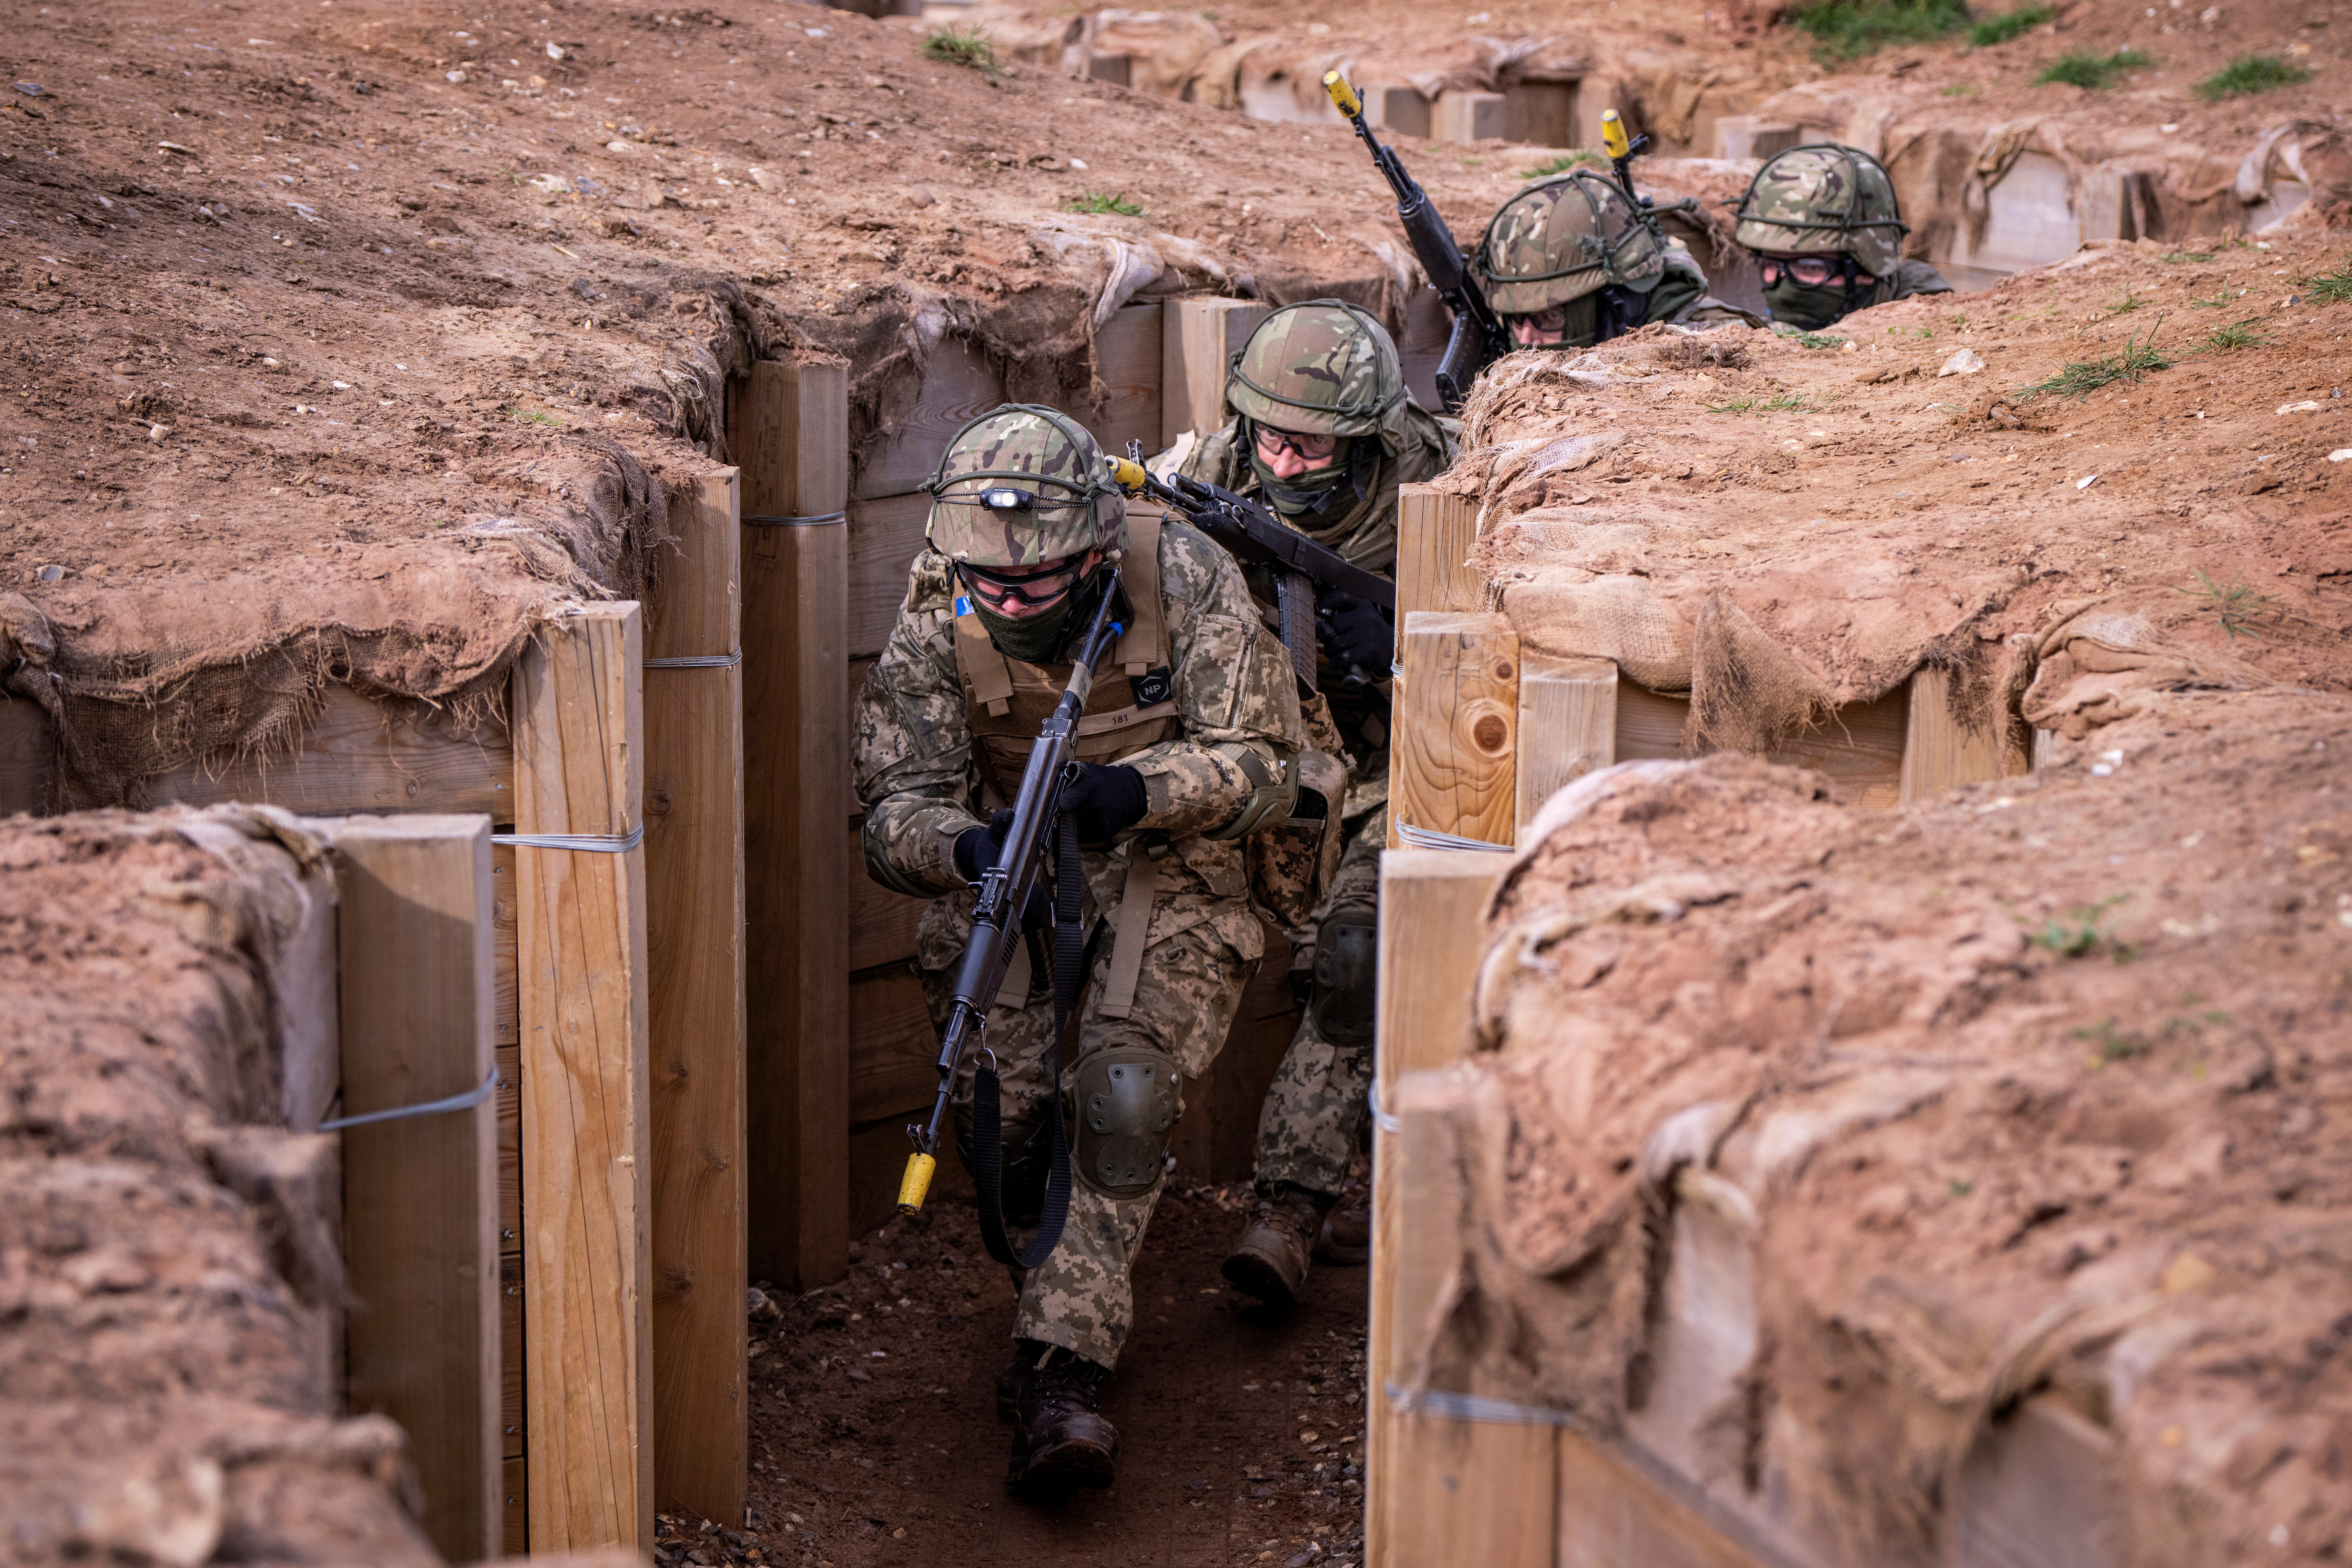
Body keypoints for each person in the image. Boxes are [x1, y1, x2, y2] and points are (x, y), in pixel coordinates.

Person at [853, 404, 1304, 1498]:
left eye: (1036, 580)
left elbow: (1264, 764)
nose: (1005, 599)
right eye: (986, 581)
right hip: (1010, 866)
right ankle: (1046, 1245)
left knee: (1121, 1092)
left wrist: (1135, 790)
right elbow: (891, 813)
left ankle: (1061, 1373)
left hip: (1172, 858)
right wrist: (963, 842)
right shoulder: (937, 611)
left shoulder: (1182, 575)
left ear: (1098, 547)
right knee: (1004, 1125)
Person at [1176, 300, 1452, 1306]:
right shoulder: (1213, 471)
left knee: (1349, 958)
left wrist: (1400, 648)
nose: (1283, 465)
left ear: (1368, 440)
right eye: (1269, 439)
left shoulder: (1444, 481)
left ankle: (1287, 1206)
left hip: (1396, 759)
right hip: (1262, 759)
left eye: (1311, 447)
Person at [1476, 167, 1754, 349]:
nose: (1526, 340)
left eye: (1551, 315)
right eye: (1515, 316)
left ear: (1618, 301)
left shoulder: (1705, 342)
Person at [1732, 143, 1953, 330]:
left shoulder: (1927, 316)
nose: (1783, 285)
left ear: (1870, 262)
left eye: (1809, 267)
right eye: (1769, 264)